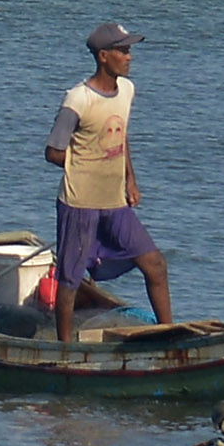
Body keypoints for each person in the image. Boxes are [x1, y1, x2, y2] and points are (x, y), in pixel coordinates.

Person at [42, 20, 174, 328]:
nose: (130, 57)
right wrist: (90, 163)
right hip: (80, 202)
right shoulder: (78, 99)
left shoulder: (126, 90)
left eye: (129, 51)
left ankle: (171, 334)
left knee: (155, 264)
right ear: (103, 56)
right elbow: (53, 151)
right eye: (123, 51)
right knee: (70, 279)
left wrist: (130, 178)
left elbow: (119, 135)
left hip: (114, 202)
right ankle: (64, 352)